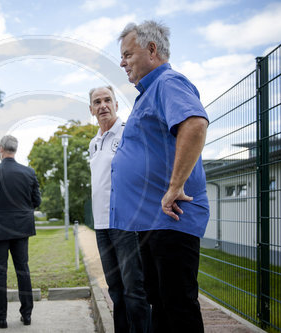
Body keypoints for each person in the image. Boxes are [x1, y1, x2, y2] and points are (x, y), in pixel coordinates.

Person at [110, 21, 210, 332]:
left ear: (152, 50)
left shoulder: (168, 82)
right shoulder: (149, 92)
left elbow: (194, 123)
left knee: (178, 306)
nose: (122, 62)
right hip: (153, 221)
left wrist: (175, 186)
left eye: (128, 54)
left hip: (171, 217)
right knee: (162, 305)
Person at [88, 85, 150, 333]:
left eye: (107, 100)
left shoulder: (129, 133)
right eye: (97, 102)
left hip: (125, 222)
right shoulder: (94, 143)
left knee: (134, 289)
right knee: (115, 289)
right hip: (102, 225)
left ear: (116, 104)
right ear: (91, 109)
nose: (103, 105)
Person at [0, 135, 41, 329]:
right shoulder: (29, 173)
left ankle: (0, 318)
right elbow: (36, 201)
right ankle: (26, 314)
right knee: (23, 271)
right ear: (15, 150)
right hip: (21, 228)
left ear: (1, 149)